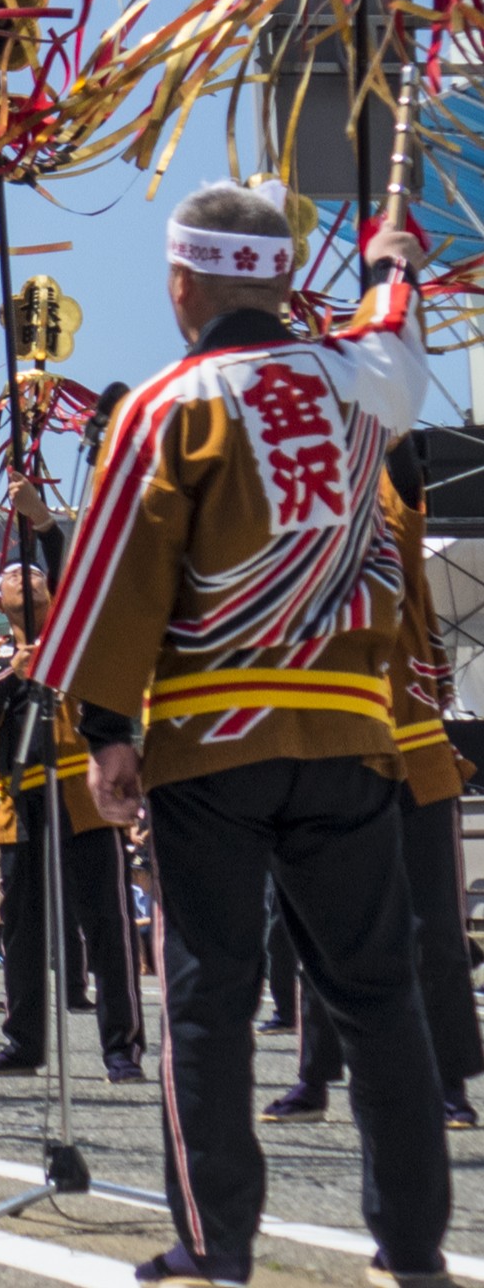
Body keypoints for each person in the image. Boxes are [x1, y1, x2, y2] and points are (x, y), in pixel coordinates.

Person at [31, 186, 444, 1286]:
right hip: (351, 728)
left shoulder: (171, 403)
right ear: (276, 277)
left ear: (183, 282)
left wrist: (107, 727)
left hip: (215, 737)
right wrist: (393, 261)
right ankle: (411, 1244)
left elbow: (125, 569)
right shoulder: (359, 381)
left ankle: (217, 1244)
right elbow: (395, 327)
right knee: (378, 993)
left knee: (209, 991)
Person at [264, 443, 484, 1128]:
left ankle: (449, 1082)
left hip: (413, 748)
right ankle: (315, 1077)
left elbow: (402, 478)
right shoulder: (289, 528)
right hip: (331, 749)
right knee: (322, 932)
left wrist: (369, 385)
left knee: (435, 931)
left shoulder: (391, 516)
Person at [0, 478, 146, 1083]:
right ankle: (25, 1043)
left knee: (107, 926)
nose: (23, 577)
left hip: (82, 799)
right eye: (11, 577)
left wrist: (46, 527)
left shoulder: (80, 636)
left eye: (33, 573)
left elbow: (77, 578)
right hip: (22, 803)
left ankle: (121, 1048)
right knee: (24, 930)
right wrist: (15, 675)